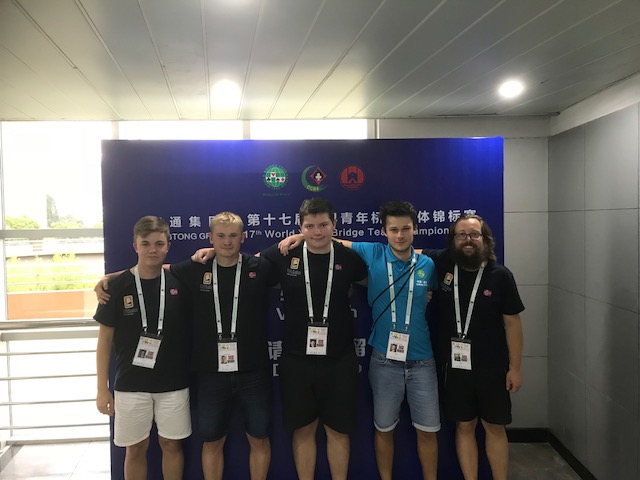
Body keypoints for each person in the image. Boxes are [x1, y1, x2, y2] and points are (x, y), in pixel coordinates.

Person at [97, 211, 278, 480]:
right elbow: (152, 270)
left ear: (243, 237)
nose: (227, 241)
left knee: (258, 438)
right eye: (220, 236)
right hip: (206, 374)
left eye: (232, 236)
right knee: (208, 441)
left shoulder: (258, 266)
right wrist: (109, 279)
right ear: (210, 238)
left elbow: (301, 247)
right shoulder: (195, 269)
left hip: (249, 372)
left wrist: (300, 236)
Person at [196, 198, 367, 480]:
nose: (317, 232)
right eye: (309, 226)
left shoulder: (349, 257)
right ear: (300, 227)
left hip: (340, 359)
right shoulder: (284, 254)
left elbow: (386, 270)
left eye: (323, 225)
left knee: (338, 431)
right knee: (303, 429)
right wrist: (214, 251)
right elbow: (236, 261)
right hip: (296, 360)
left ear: (334, 225)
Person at [279, 200, 440, 480]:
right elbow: (329, 240)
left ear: (415, 228)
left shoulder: (428, 264)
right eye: (393, 229)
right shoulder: (372, 252)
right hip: (382, 360)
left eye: (405, 229)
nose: (399, 235)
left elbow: (435, 287)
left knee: (426, 431)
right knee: (383, 428)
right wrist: (301, 236)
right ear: (384, 231)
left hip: (421, 360)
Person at [425, 213, 524, 480]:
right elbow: (402, 248)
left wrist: (515, 368)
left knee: (494, 427)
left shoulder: (500, 276)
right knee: (464, 426)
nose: (467, 240)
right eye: (461, 235)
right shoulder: (442, 264)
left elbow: (513, 324)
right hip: (455, 368)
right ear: (452, 240)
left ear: (485, 239)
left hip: (492, 368)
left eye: (474, 234)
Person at [95, 216, 191, 480]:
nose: (152, 250)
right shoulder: (116, 287)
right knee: (135, 449)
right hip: (130, 384)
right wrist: (102, 389)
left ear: (168, 246)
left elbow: (213, 261)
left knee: (172, 445)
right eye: (146, 244)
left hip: (173, 383)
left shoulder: (179, 281)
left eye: (159, 244)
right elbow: (104, 341)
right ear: (135, 246)